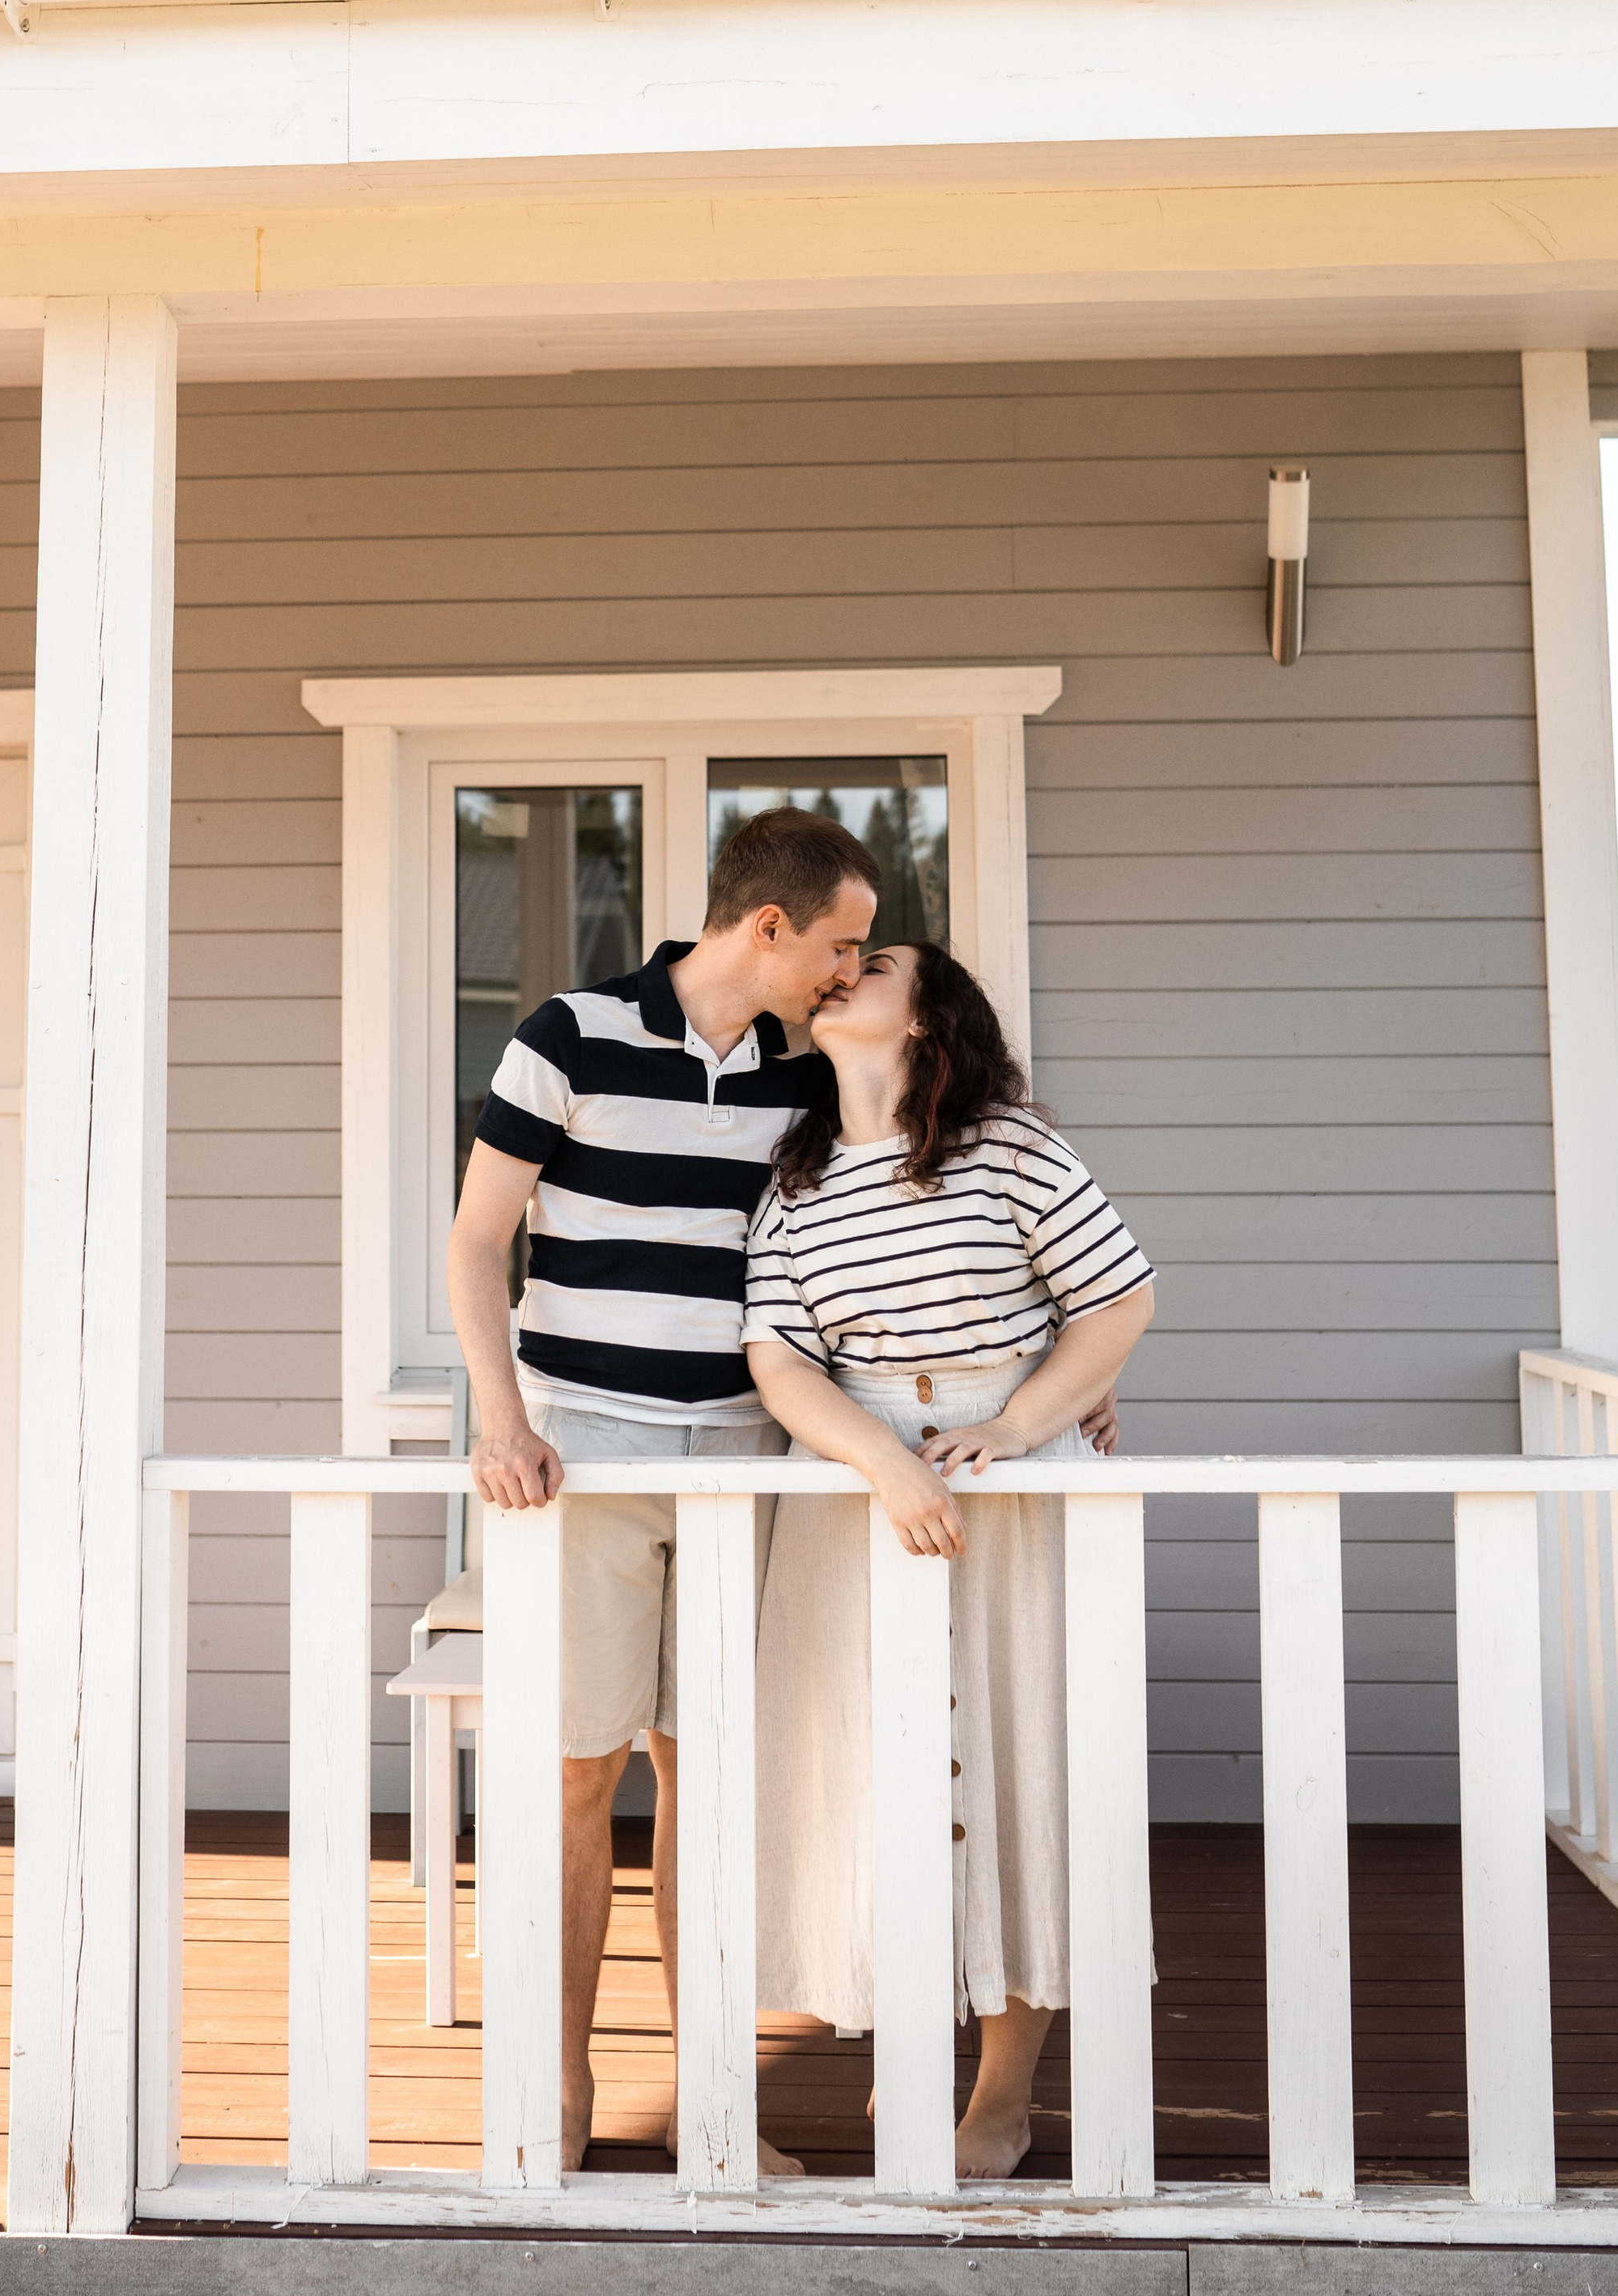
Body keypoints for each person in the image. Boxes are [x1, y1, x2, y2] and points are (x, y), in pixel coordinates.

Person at [448, 804, 880, 2175]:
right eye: (841, 944)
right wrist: (502, 1422)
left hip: (746, 1461)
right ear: (770, 926)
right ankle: (559, 2088)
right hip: (582, 1458)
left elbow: (901, 1214)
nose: (851, 972)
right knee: (577, 1776)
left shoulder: (804, 1079)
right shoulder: (570, 1036)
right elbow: (475, 1244)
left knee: (710, 1783)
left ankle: (715, 2111)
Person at [744, 938, 1155, 2180]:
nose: (840, 971)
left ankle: (1004, 2095)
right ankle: (902, 2053)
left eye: (873, 963)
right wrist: (886, 1459)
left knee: (1029, 1769)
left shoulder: (1012, 1143)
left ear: (927, 1020)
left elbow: (1117, 1300)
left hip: (1015, 1495)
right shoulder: (794, 1178)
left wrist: (1017, 1427)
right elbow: (780, 1357)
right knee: (876, 1779)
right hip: (863, 1499)